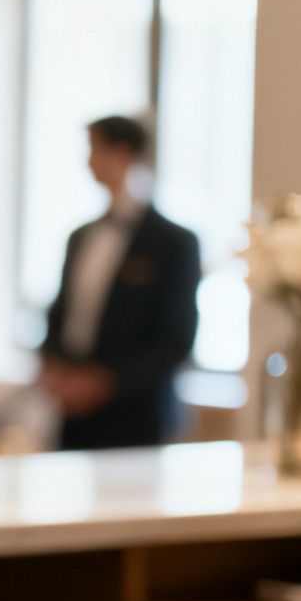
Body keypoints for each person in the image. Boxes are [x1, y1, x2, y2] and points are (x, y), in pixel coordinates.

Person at [39, 115, 200, 450]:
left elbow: (176, 337)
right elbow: (61, 313)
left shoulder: (173, 242)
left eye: (95, 149)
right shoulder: (81, 237)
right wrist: (55, 369)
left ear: (123, 153)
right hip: (74, 414)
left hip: (137, 415)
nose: (88, 162)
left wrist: (104, 382)